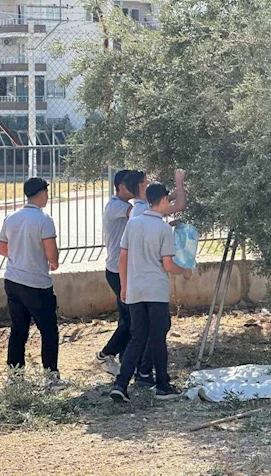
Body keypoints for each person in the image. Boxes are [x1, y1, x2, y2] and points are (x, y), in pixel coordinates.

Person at [110, 183, 193, 402]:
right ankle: (162, 385)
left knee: (137, 338)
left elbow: (122, 257)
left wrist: (124, 286)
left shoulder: (133, 224)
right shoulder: (163, 229)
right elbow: (167, 265)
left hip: (135, 289)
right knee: (157, 338)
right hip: (155, 290)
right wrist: (185, 270)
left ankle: (121, 383)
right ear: (164, 200)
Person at [0, 178, 60, 375]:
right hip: (37, 284)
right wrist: (52, 262)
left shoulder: (11, 217)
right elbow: (52, 255)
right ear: (42, 193)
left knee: (18, 329)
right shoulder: (44, 220)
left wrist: (20, 256)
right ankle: (50, 375)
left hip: (13, 280)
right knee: (49, 331)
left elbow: (1, 248)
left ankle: (15, 373)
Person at [94, 169, 134, 376]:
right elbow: (143, 214)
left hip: (122, 269)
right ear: (121, 187)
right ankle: (104, 355)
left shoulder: (124, 206)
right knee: (131, 320)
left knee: (126, 317)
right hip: (118, 271)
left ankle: (125, 358)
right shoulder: (118, 206)